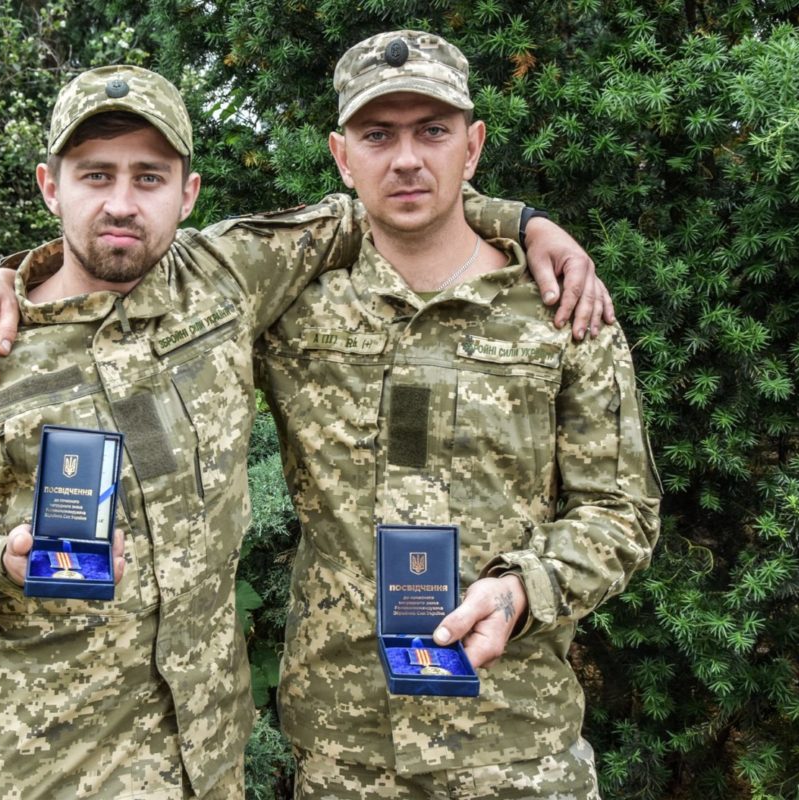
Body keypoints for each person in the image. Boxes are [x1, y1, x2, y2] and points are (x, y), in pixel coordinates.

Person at [0, 64, 599, 799]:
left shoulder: (226, 280)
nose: (121, 203)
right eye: (95, 176)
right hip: (52, 771)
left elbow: (388, 202)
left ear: (187, 193)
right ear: (49, 187)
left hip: (211, 762)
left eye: (149, 178)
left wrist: (528, 225)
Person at [254, 32, 662, 798]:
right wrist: (16, 283)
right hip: (347, 751)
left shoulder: (561, 309)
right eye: (379, 135)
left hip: (518, 746)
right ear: (342, 157)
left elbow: (622, 513)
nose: (407, 159)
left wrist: (523, 589)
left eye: (432, 131)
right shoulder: (294, 311)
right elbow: (152, 292)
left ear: (471, 147)